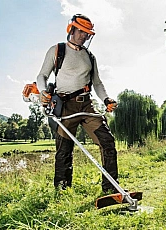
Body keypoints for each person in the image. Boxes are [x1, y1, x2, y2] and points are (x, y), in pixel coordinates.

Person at [36, 14, 119, 193]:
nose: (84, 36)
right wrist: (43, 92)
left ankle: (111, 190)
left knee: (107, 142)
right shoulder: (57, 50)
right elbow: (42, 76)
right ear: (71, 29)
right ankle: (62, 192)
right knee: (64, 151)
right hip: (65, 106)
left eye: (87, 33)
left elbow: (97, 83)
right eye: (81, 31)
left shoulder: (90, 56)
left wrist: (106, 99)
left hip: (86, 106)